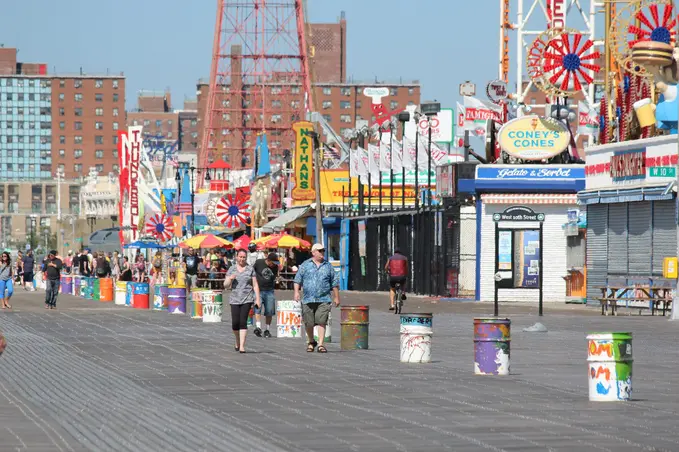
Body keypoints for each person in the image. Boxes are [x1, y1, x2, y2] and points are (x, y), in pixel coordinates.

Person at [294, 243, 340, 353]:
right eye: (320, 251)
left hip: (324, 299)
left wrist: (336, 297)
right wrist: (296, 292)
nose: (322, 253)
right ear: (313, 252)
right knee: (308, 323)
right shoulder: (305, 265)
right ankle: (311, 341)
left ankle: (320, 344)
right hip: (308, 299)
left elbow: (334, 283)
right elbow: (297, 280)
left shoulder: (328, 266)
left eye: (323, 251)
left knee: (321, 321)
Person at [225, 249, 261, 353]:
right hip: (234, 299)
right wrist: (230, 279)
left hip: (247, 299)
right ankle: (237, 340)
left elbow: (255, 284)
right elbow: (225, 285)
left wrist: (257, 299)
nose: (242, 259)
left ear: (246, 258)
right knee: (235, 323)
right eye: (240, 257)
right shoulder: (232, 269)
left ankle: (242, 346)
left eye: (244, 257)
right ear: (236, 257)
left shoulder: (250, 269)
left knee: (243, 322)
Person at [253, 252, 279, 338]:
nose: (274, 265)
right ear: (269, 260)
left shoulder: (275, 267)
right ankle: (258, 327)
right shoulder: (259, 262)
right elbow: (252, 272)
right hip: (259, 290)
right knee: (258, 308)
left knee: (269, 311)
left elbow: (274, 277)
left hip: (269, 290)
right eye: (273, 263)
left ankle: (267, 330)